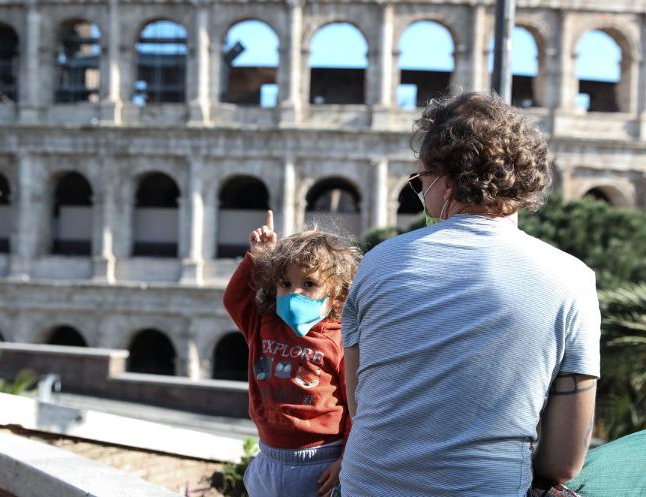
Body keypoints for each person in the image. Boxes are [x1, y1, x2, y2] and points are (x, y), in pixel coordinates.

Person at [340, 92, 600, 497]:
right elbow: (564, 461)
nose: (420, 194)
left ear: (444, 180)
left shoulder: (377, 264)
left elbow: (363, 408)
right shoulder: (573, 279)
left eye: (419, 182)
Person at [223, 210, 361, 497]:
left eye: (308, 284)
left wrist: (346, 460)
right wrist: (259, 257)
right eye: (285, 284)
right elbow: (234, 299)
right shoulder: (264, 324)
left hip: (320, 461)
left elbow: (355, 408)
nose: (293, 293)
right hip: (269, 457)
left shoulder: (340, 338)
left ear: (336, 293)